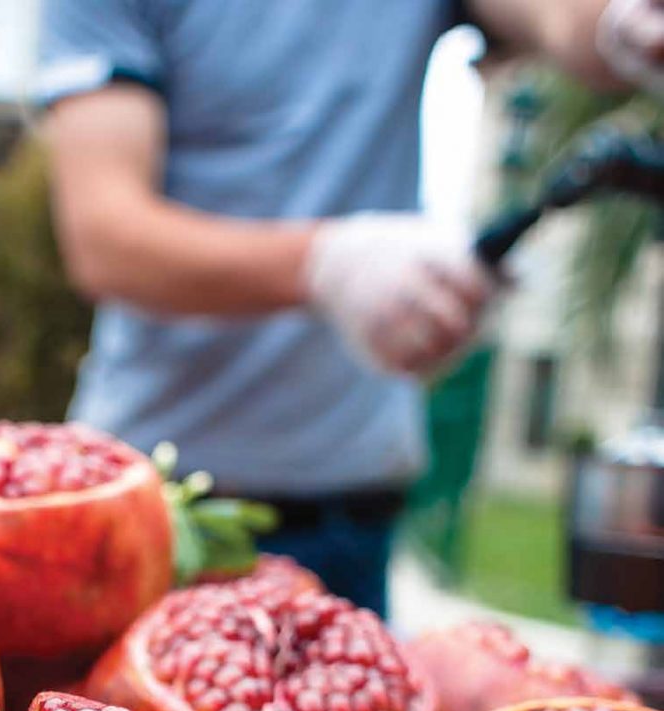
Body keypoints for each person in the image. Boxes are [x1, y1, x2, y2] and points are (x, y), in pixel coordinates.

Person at [37, 0, 664, 615]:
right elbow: (103, 238)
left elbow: (558, 15)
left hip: (353, 524)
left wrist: (620, 22)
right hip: (161, 517)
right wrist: (326, 263)